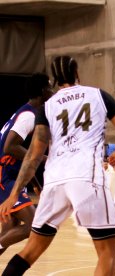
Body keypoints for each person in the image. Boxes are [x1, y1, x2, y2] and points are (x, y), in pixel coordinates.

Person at [0, 56, 115, 276]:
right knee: (107, 253)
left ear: (54, 79)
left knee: (31, 250)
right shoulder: (98, 95)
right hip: (86, 177)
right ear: (77, 73)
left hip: (55, 182)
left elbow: (33, 156)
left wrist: (14, 193)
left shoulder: (47, 106)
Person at [0, 73, 53, 256]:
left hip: (10, 175)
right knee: (34, 225)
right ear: (42, 91)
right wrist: (45, 158)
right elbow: (9, 147)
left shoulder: (29, 113)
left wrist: (36, 185)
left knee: (8, 230)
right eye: (49, 87)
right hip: (4, 176)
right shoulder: (29, 115)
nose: (52, 91)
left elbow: (27, 159)